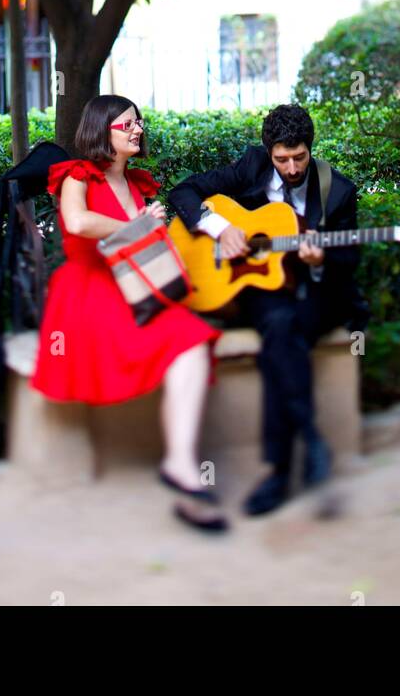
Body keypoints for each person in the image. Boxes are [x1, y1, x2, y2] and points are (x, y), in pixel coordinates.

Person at [31, 94, 228, 532]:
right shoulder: (76, 175)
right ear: (102, 131)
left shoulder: (139, 184)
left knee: (193, 341)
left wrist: (150, 232)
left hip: (132, 289)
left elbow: (143, 247)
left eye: (137, 122)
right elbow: (79, 224)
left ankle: (180, 464)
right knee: (177, 340)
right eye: (125, 124)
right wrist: (139, 226)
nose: (136, 129)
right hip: (86, 292)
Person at [168, 103, 369, 516]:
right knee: (279, 325)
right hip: (260, 287)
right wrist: (221, 229)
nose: (292, 167)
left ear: (311, 150)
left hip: (316, 293)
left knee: (281, 334)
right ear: (269, 152)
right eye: (282, 159)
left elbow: (348, 260)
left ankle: (278, 473)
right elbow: (182, 193)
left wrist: (321, 261)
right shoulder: (251, 166)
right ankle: (309, 439)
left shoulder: (339, 191)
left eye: (300, 157)